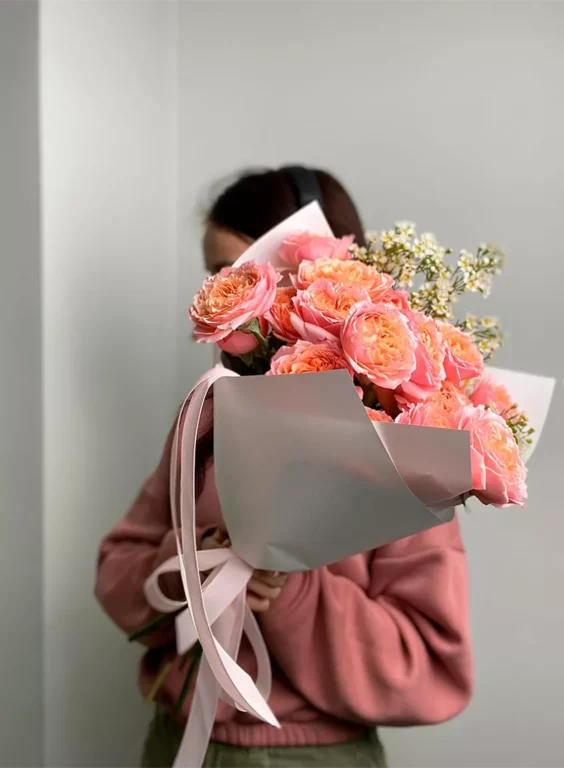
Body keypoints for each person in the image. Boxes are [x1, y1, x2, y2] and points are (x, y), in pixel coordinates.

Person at [95, 166, 473, 768]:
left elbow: (429, 668)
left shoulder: (402, 438)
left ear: (324, 274)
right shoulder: (208, 412)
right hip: (177, 741)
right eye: (216, 276)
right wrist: (198, 562)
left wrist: (291, 587)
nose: (227, 298)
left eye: (246, 274)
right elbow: (117, 569)